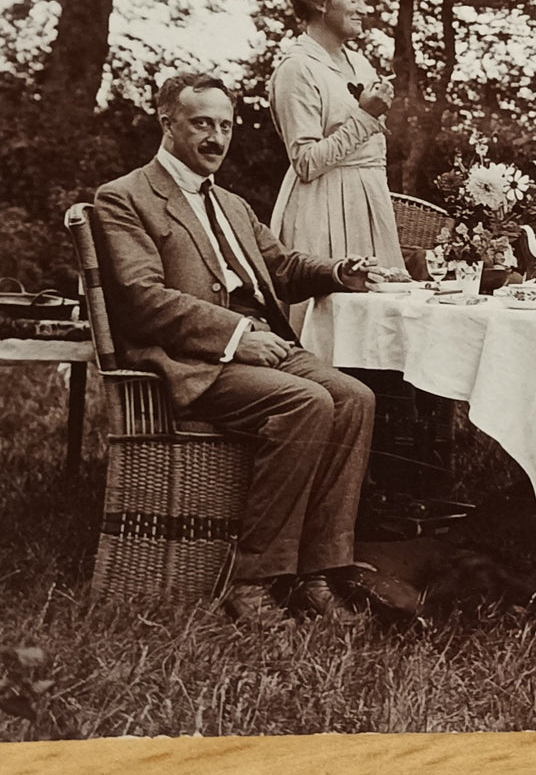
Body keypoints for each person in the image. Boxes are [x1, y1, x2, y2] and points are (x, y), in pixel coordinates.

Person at [94, 71, 385, 627]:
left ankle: (317, 574)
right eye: (201, 123)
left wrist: (340, 271)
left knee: (355, 398)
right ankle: (253, 582)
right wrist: (236, 337)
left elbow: (280, 268)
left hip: (259, 344)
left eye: (225, 126)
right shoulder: (125, 198)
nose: (216, 139)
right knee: (307, 403)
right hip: (190, 358)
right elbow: (140, 298)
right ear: (167, 122)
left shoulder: (230, 202)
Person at [268, 0, 406, 328]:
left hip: (368, 201)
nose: (364, 9)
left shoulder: (360, 64)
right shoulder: (296, 68)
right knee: (325, 323)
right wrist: (365, 117)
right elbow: (306, 162)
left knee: (379, 322)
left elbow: (369, 144)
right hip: (322, 209)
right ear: (320, 3)